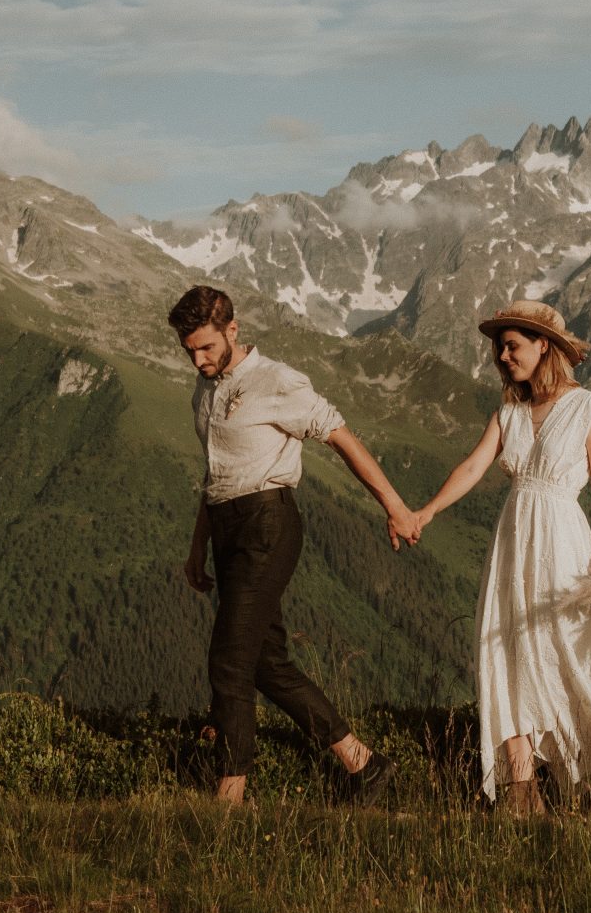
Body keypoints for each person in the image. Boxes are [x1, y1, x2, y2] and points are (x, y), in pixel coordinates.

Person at [409, 298, 591, 814]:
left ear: (542, 346)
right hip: (512, 545)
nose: (503, 356)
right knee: (505, 651)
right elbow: (472, 467)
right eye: (498, 348)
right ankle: (521, 793)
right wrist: (426, 512)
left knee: (578, 653)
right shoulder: (509, 412)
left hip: (561, 544)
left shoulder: (589, 406)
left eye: (512, 346)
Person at [168, 284, 417, 806]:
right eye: (189, 349)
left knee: (228, 661)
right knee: (265, 662)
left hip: (268, 523)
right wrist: (197, 548)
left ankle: (229, 799)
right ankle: (363, 764)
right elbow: (214, 474)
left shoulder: (276, 380)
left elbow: (341, 436)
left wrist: (393, 505)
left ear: (232, 330)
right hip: (225, 524)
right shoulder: (204, 389)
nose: (198, 358)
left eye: (207, 347)